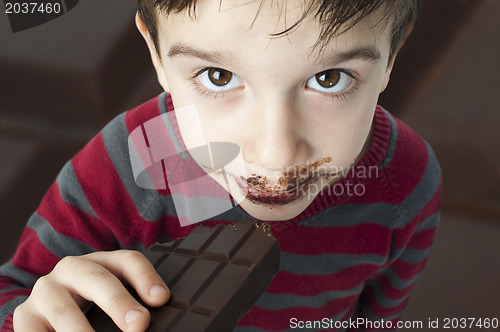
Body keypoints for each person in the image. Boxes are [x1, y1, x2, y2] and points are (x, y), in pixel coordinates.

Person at [0, 0, 442, 331]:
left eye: (329, 79)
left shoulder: (406, 181)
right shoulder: (130, 161)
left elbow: (379, 316)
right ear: (157, 55)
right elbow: (15, 290)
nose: (274, 155)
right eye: (218, 76)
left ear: (392, 57)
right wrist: (31, 317)